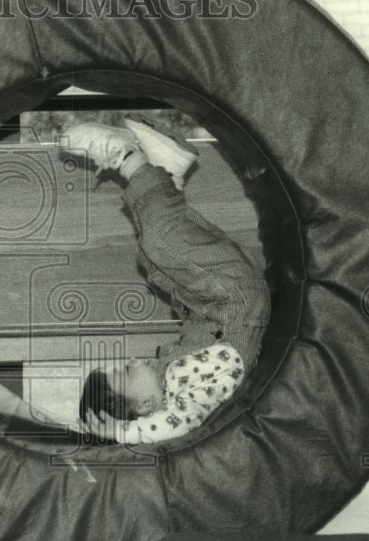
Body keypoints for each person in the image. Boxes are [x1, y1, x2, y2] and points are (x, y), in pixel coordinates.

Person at [59, 118, 271, 445]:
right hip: (236, 298)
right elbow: (179, 424)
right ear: (146, 406)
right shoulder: (186, 402)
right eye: (126, 373)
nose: (130, 361)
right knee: (161, 241)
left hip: (214, 303)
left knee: (153, 261)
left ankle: (168, 172)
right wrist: (123, 432)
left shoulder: (169, 375)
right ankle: (126, 159)